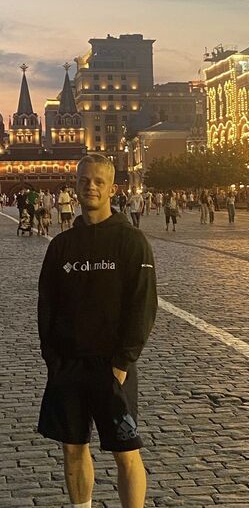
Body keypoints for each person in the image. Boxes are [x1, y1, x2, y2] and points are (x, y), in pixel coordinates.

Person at [37, 153, 157, 508]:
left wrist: (122, 362)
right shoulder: (61, 246)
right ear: (75, 186)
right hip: (69, 367)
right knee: (73, 449)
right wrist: (54, 360)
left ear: (111, 189)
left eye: (98, 181)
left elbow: (143, 306)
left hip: (113, 367)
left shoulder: (132, 241)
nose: (90, 187)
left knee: (126, 452)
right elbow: (47, 306)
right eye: (84, 181)